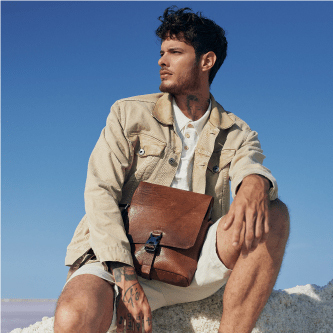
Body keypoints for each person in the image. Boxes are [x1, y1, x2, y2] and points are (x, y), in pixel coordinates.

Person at [54, 7, 289, 333]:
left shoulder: (236, 131)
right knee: (72, 317)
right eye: (162, 52)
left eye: (175, 52)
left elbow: (250, 161)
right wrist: (126, 278)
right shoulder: (127, 114)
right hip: (117, 260)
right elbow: (100, 190)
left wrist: (254, 184)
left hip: (191, 262)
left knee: (275, 214)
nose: (162, 60)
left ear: (206, 61)